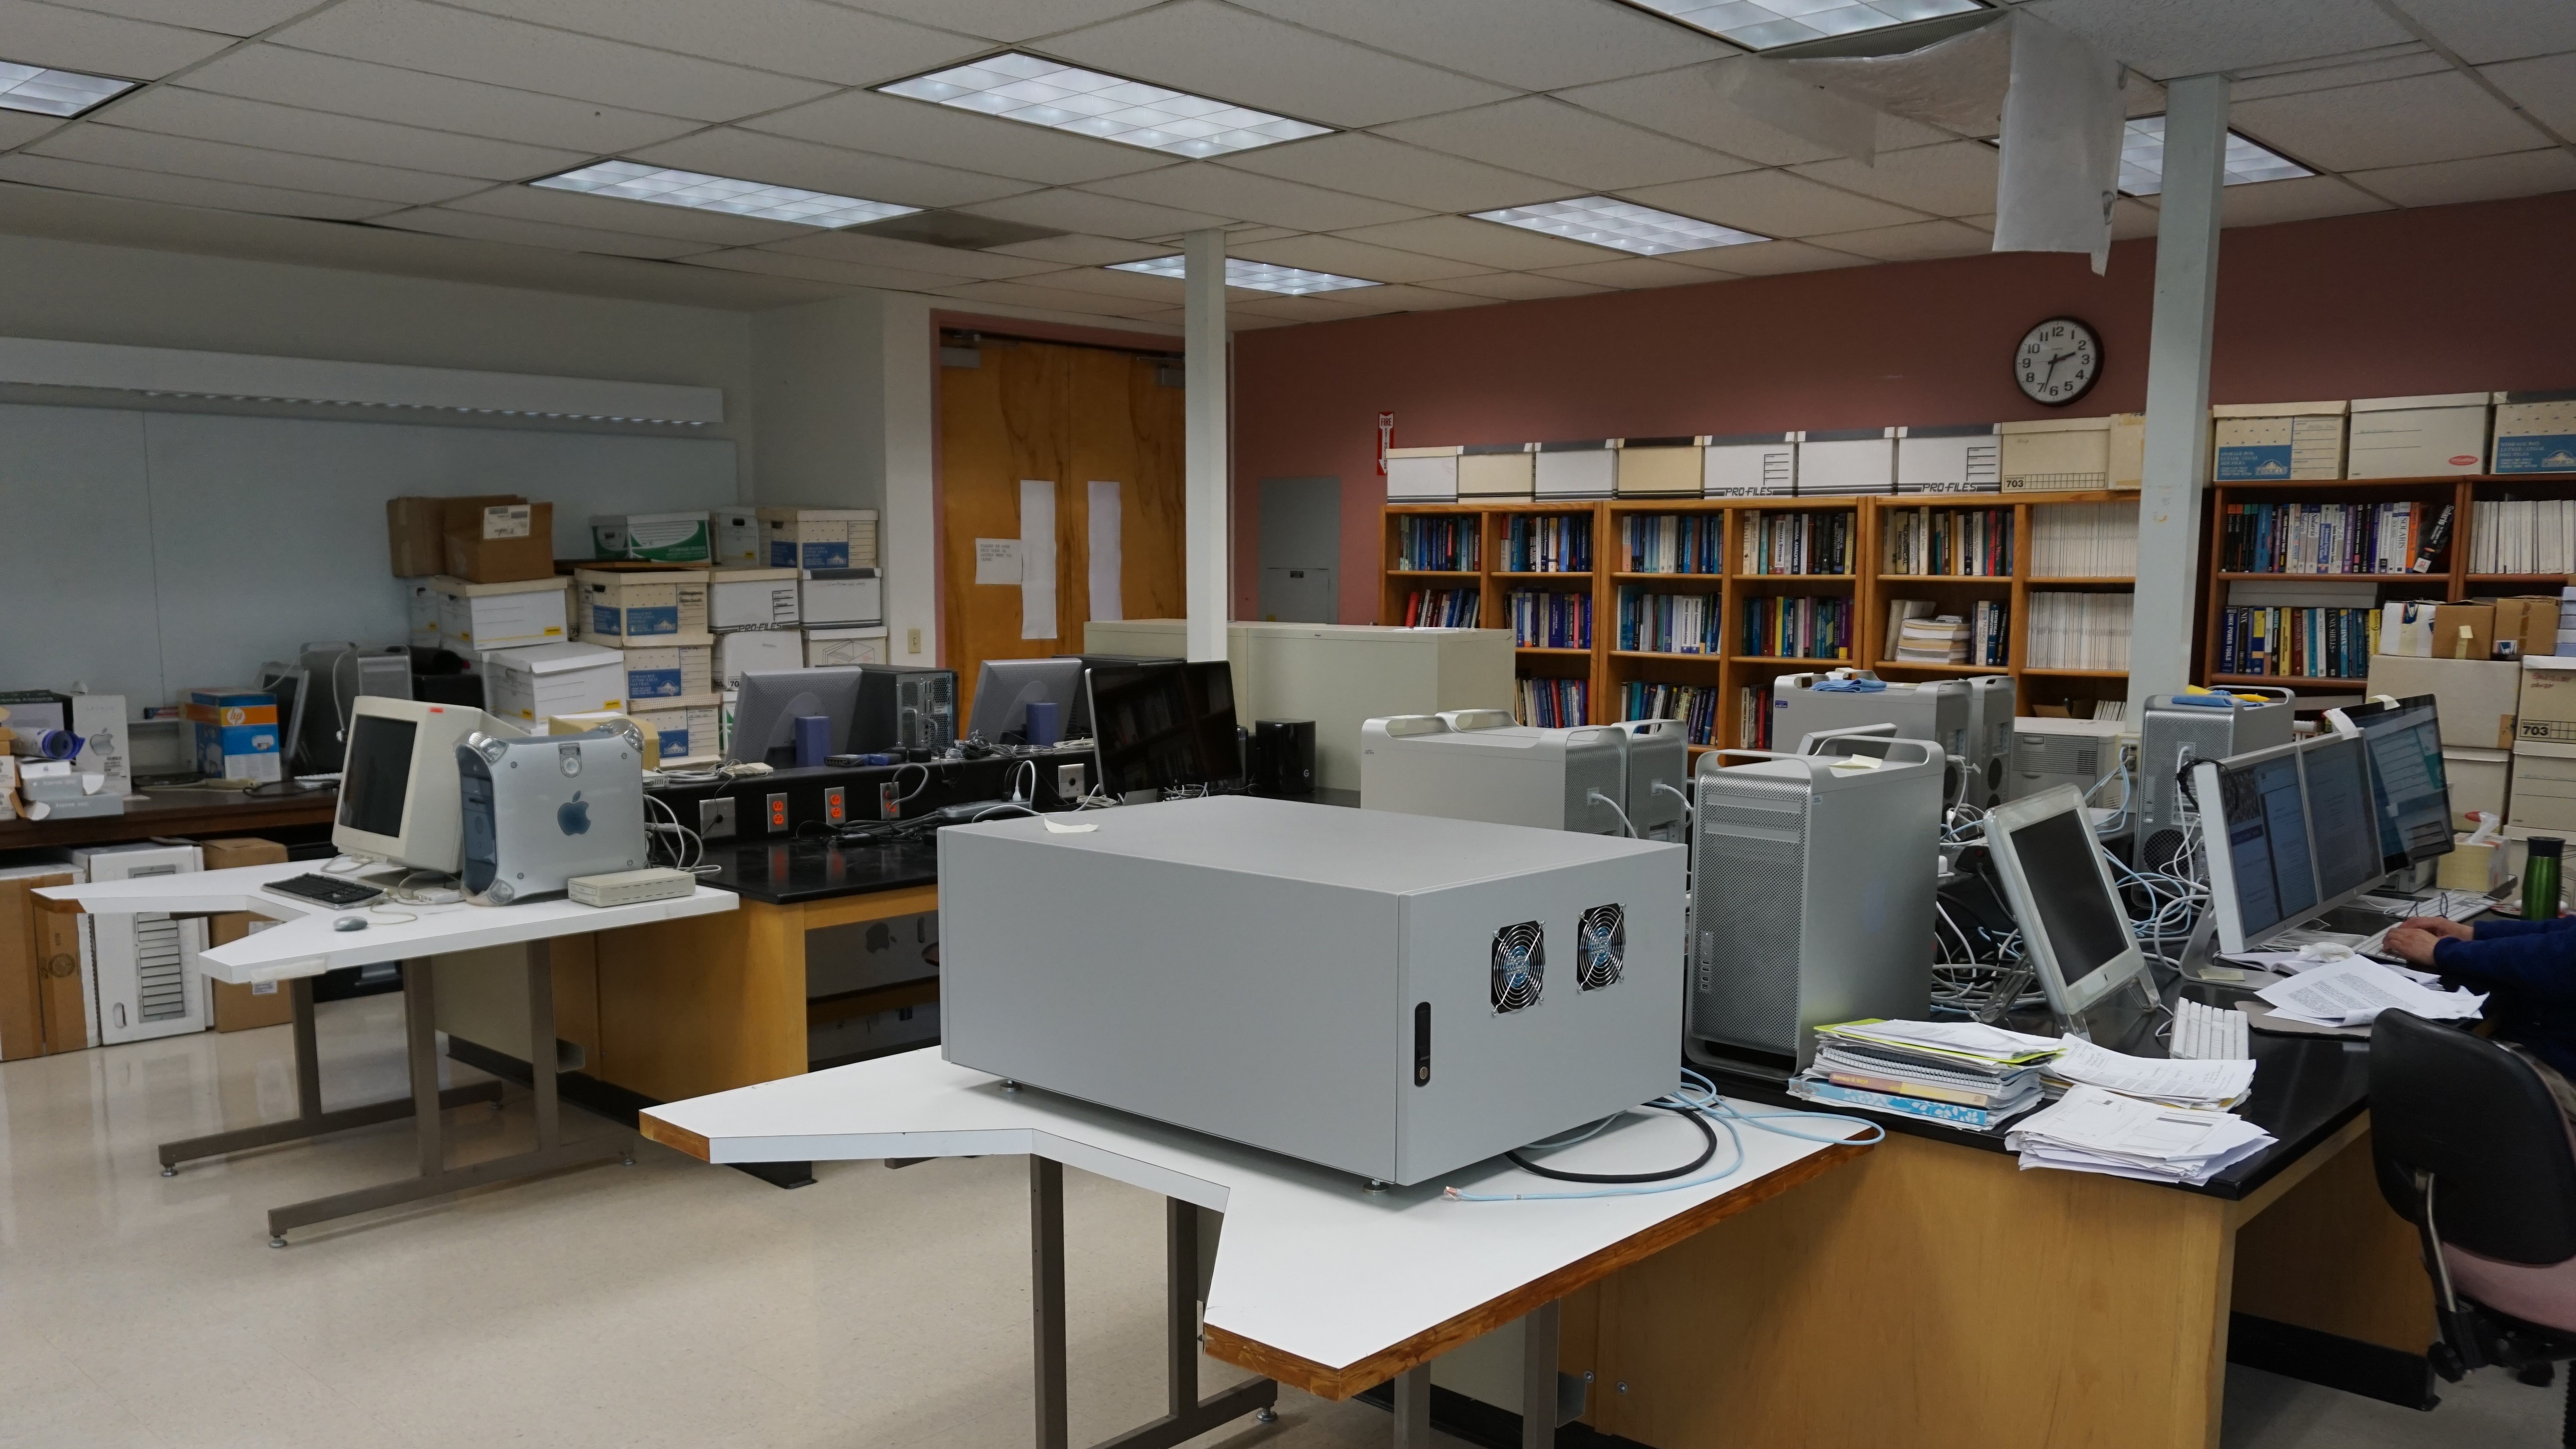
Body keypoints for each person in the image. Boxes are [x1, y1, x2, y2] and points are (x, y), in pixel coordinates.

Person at [2386, 914, 2576, 1112]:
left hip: (2563, 1069)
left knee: (2420, 1077)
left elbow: (2558, 956)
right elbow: (2565, 933)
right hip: (2551, 1042)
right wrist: (2473, 934)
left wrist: (2442, 951)